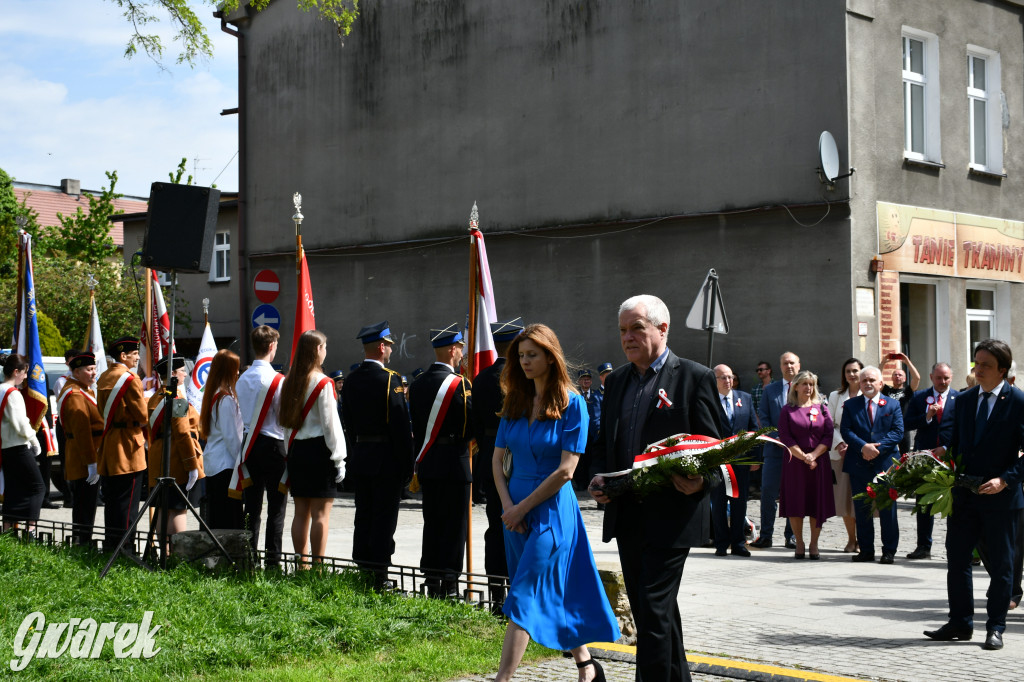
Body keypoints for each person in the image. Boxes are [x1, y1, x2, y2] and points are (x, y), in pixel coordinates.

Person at [590, 294, 721, 682]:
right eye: (622, 331)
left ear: (662, 329)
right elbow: (603, 444)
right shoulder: (615, 382)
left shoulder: (695, 377)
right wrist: (598, 477)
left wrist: (699, 480)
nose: (627, 338)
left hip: (673, 516)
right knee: (655, 612)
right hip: (626, 513)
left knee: (651, 612)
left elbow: (717, 449)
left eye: (637, 328)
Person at [492, 323, 618, 682]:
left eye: (533, 354)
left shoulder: (572, 402)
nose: (526, 361)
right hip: (513, 512)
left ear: (550, 356)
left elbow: (566, 471)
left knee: (523, 596)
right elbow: (497, 462)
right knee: (546, 590)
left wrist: (521, 508)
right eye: (521, 355)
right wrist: (508, 507)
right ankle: (586, 666)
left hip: (551, 513)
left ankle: (502, 678)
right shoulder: (515, 400)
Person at [925, 339, 1024, 651]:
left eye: (985, 365)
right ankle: (960, 622)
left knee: (1003, 565)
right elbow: (957, 443)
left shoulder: (1018, 401)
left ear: (1003, 371)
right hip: (965, 495)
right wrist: (940, 456)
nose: (978, 370)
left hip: (1001, 497)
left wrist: (1005, 480)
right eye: (976, 363)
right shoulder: (965, 400)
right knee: (957, 559)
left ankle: (995, 627)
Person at [341, 320, 414, 589]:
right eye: (390, 346)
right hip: (386, 460)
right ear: (381, 347)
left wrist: (355, 452)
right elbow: (399, 427)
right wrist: (407, 464)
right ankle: (380, 574)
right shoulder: (389, 380)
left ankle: (363, 568)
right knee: (384, 518)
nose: (392, 351)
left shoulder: (350, 381)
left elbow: (347, 422)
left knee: (364, 514)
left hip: (361, 456)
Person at [409, 324, 473, 597]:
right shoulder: (461, 385)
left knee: (432, 521)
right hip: (456, 461)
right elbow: (470, 425)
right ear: (452, 350)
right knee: (455, 525)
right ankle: (450, 581)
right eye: (460, 349)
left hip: (429, 461)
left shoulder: (418, 383)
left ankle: (431, 577)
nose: (462, 354)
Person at [470, 317, 524, 610]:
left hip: (491, 459)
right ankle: (518, 592)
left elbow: (477, 424)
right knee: (519, 525)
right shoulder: (520, 379)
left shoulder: (480, 379)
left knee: (495, 525)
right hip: (518, 462)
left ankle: (495, 594)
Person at [280, 330, 346, 566]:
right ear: (318, 349)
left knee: (300, 513)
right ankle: (317, 567)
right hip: (320, 451)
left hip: (297, 450)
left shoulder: (289, 381)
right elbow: (331, 425)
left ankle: (302, 565)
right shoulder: (324, 382)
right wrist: (339, 459)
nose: (326, 351)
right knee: (320, 514)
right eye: (325, 347)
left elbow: (286, 425)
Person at [233, 325, 288, 568]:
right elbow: (282, 418)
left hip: (249, 445)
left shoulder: (242, 378)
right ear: (271, 347)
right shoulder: (278, 380)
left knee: (251, 506)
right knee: (276, 507)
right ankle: (273, 562)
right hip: (273, 445)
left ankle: (248, 559)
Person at [840, 366, 904, 564]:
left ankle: (889, 551)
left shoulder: (892, 405)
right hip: (859, 464)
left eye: (872, 380)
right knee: (862, 509)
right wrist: (863, 447)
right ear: (859, 384)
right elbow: (846, 430)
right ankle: (866, 550)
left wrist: (876, 449)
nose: (868, 383)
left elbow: (897, 431)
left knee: (887, 510)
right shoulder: (851, 405)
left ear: (880, 383)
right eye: (864, 380)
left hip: (885, 464)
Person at [96, 336, 148, 553]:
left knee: (113, 500)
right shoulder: (129, 378)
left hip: (110, 442)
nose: (137, 358)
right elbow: (143, 416)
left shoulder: (104, 376)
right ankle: (124, 548)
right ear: (123, 355)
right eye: (134, 354)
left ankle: (111, 544)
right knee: (128, 501)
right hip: (127, 443)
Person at [147, 355, 205, 549]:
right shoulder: (177, 398)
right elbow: (182, 433)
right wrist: (191, 464)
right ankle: (176, 554)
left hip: (159, 457)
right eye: (182, 371)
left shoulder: (156, 396)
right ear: (173, 374)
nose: (185, 374)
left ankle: (165, 553)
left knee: (163, 507)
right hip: (176, 458)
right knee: (178, 509)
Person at [778, 370, 835, 560]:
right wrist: (804, 457)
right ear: (796, 386)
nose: (808, 388)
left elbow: (828, 435)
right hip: (795, 463)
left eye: (811, 384)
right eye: (805, 384)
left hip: (819, 463)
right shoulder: (788, 410)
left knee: (815, 503)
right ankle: (799, 542)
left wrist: (814, 455)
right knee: (796, 503)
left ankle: (814, 543)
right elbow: (785, 436)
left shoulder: (822, 409)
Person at [903, 362, 957, 560]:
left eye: (946, 378)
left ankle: (954, 547)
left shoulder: (960, 399)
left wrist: (948, 448)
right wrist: (926, 417)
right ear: (931, 376)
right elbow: (906, 423)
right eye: (938, 378)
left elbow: (964, 430)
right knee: (924, 504)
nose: (942, 382)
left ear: (951, 377)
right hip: (925, 456)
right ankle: (923, 546)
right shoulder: (919, 397)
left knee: (954, 503)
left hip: (951, 457)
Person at [753, 351, 800, 549]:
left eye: (792, 363)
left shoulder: (806, 389)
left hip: (797, 452)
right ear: (780, 367)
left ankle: (792, 535)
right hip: (774, 450)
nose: (789, 366)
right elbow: (763, 417)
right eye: (785, 363)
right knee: (768, 494)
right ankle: (766, 535)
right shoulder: (770, 390)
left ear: (799, 365)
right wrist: (776, 437)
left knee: (793, 494)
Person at [57, 351, 103, 546]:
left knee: (87, 502)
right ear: (76, 372)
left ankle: (83, 539)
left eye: (94, 368)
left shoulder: (83, 389)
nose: (93, 373)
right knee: (85, 503)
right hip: (84, 457)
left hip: (86, 454)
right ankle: (82, 542)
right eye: (88, 369)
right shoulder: (75, 394)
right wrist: (91, 462)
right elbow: (82, 432)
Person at [711, 363, 757, 557]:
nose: (728, 381)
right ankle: (721, 543)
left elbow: (753, 429)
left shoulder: (744, 399)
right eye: (723, 377)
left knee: (739, 504)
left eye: (730, 377)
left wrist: (754, 458)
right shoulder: (708, 400)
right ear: (715, 381)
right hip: (716, 462)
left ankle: (739, 543)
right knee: (719, 504)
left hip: (740, 462)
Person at [199, 350, 244, 530]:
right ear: (228, 371)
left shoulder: (214, 394)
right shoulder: (225, 399)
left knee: (218, 515)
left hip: (215, 462)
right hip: (226, 464)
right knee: (229, 518)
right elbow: (231, 438)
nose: (238, 373)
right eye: (236, 369)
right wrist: (242, 463)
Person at [1, 354, 44, 534]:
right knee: (38, 487)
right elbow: (21, 423)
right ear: (16, 371)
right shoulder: (13, 393)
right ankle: (31, 530)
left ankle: (7, 529)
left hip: (5, 447)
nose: (26, 377)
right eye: (24, 373)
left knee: (12, 487)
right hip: (18, 446)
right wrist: (34, 440)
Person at [826, 358, 864, 553]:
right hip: (839, 453)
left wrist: (856, 445)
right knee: (844, 498)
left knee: (861, 497)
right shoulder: (835, 396)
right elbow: (829, 424)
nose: (852, 374)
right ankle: (851, 539)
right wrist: (840, 443)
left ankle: (864, 539)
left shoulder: (869, 395)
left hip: (862, 453)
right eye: (848, 371)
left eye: (855, 370)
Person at [573, 368, 602, 490]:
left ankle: (591, 481)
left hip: (592, 433)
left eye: (588, 379)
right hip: (578, 432)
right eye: (583, 379)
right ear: (579, 381)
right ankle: (580, 482)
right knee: (579, 459)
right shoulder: (574, 395)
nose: (586, 381)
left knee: (591, 458)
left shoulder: (597, 395)